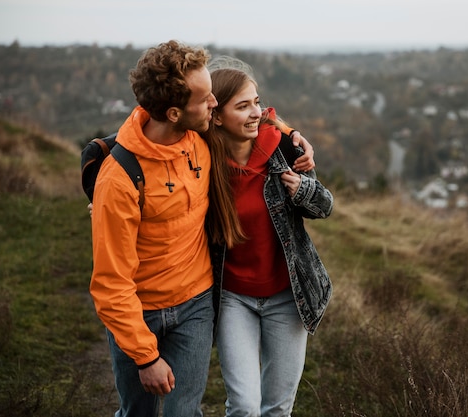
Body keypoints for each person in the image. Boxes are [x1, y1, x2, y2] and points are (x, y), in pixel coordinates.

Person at [88, 41, 314, 417]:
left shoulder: (201, 139)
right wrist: (145, 359)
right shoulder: (121, 178)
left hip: (196, 305)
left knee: (185, 413)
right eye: (206, 98)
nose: (214, 103)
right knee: (138, 413)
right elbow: (110, 283)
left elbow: (254, 114)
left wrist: (293, 134)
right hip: (139, 310)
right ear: (175, 112)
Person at [204, 59, 333, 417]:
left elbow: (325, 207)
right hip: (233, 299)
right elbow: (149, 138)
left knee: (277, 408)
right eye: (242, 106)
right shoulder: (201, 160)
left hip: (287, 297)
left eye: (257, 103)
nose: (255, 113)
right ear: (215, 115)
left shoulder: (285, 151)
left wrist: (303, 190)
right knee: (244, 406)